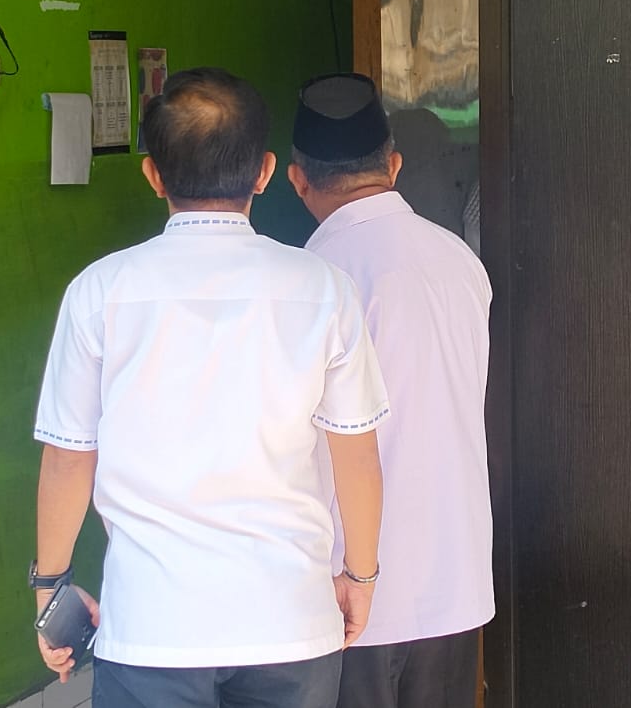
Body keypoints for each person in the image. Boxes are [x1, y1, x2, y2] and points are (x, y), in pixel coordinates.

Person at [31, 67, 388, 708]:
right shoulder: (323, 289)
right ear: (266, 172)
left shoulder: (99, 292)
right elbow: (357, 453)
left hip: (151, 629)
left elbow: (67, 458)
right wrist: (360, 576)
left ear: (153, 175)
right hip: (291, 624)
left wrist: (49, 585)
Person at [283, 74, 493, 708]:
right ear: (394, 165)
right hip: (453, 580)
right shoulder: (460, 262)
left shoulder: (311, 280)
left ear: (296, 180)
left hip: (348, 590)